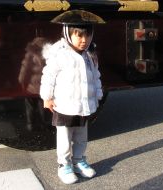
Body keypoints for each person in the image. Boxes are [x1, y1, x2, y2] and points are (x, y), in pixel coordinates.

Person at [40, 23, 103, 184]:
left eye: (87, 35)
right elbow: (48, 76)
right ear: (68, 34)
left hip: (84, 105)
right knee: (65, 137)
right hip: (65, 105)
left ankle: (78, 160)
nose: (84, 40)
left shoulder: (89, 55)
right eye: (79, 35)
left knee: (82, 136)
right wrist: (47, 97)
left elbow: (95, 76)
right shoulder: (60, 54)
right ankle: (64, 165)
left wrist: (97, 93)